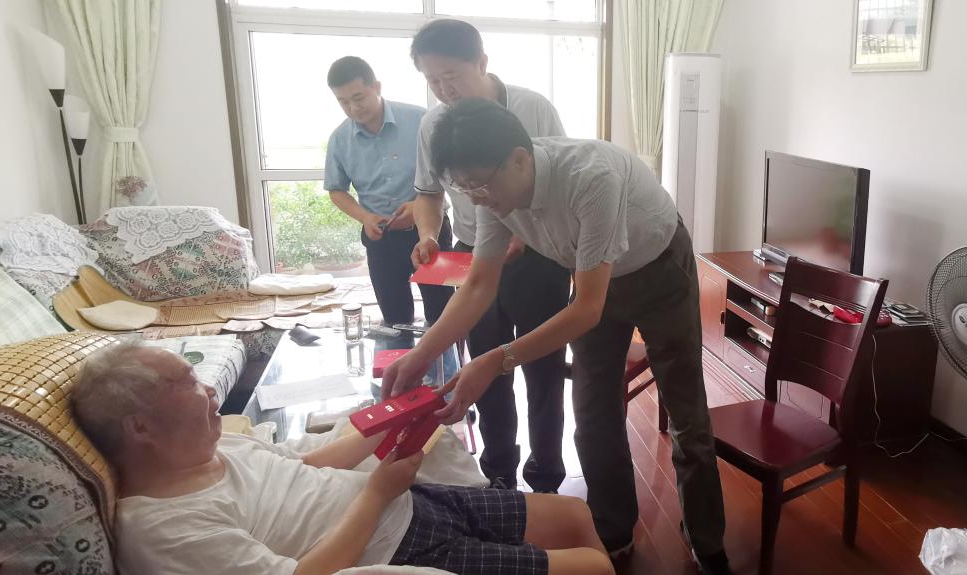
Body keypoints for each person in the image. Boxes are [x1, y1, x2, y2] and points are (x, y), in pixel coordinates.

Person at [383, 98, 732, 574]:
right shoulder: (493, 192)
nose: (476, 197)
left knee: (686, 414)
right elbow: (480, 285)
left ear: (519, 160)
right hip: (594, 277)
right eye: (463, 189)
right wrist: (422, 354)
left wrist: (495, 360)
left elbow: (586, 309)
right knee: (592, 413)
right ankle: (613, 530)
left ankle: (707, 542)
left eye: (479, 185)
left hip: (659, 271)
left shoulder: (591, 177)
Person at [70, 342, 614, 575]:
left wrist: (387, 421)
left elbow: (306, 466)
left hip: (410, 503)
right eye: (187, 382)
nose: (210, 389)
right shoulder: (163, 527)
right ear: (140, 427)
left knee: (575, 515)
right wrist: (377, 492)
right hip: (401, 544)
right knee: (594, 566)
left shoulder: (218, 445)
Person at [408, 19, 571, 494]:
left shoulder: (532, 108)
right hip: (473, 255)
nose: (444, 90)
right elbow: (428, 193)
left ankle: (546, 477)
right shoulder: (434, 123)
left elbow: (560, 183)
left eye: (451, 76)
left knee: (542, 367)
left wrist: (522, 232)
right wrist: (428, 234)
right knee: (484, 366)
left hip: (538, 254)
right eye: (432, 80)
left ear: (481, 62)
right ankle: (498, 472)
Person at [324, 56, 454, 326]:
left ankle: (446, 356)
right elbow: (336, 191)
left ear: (377, 87)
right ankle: (403, 355)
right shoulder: (340, 139)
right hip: (381, 237)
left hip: (430, 233)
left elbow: (449, 173)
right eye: (343, 102)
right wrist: (365, 217)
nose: (353, 108)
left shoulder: (421, 120)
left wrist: (419, 207)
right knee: (394, 318)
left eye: (358, 97)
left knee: (443, 313)